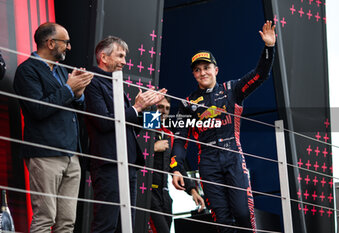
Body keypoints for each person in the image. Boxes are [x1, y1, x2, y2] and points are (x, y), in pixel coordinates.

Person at [171, 20, 276, 233]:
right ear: (193, 74)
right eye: (198, 70)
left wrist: (269, 48)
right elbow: (180, 140)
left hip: (232, 157)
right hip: (207, 163)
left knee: (243, 213)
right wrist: (176, 169)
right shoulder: (186, 104)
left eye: (207, 68)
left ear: (216, 69)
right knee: (222, 220)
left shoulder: (232, 90)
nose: (203, 73)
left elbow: (259, 75)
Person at [13, 22, 93, 232]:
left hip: (71, 154)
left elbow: (76, 106)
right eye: (65, 42)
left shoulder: (61, 70)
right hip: (45, 153)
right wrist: (69, 89)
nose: (69, 47)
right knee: (45, 218)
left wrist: (78, 93)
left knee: (67, 222)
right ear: (50, 43)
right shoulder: (27, 70)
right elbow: (37, 109)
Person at [85, 36, 166, 233]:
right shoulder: (93, 82)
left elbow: (132, 128)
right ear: (103, 57)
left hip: (128, 164)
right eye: (120, 56)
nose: (124, 61)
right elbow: (104, 123)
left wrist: (147, 107)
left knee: (125, 226)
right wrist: (136, 107)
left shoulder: (115, 83)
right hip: (109, 164)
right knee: (106, 225)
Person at [149, 97, 205, 233]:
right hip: (147, 191)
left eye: (167, 108)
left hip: (165, 193)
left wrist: (192, 191)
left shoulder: (169, 134)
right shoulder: (144, 130)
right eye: (160, 107)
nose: (164, 111)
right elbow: (130, 153)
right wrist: (153, 148)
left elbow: (176, 167)